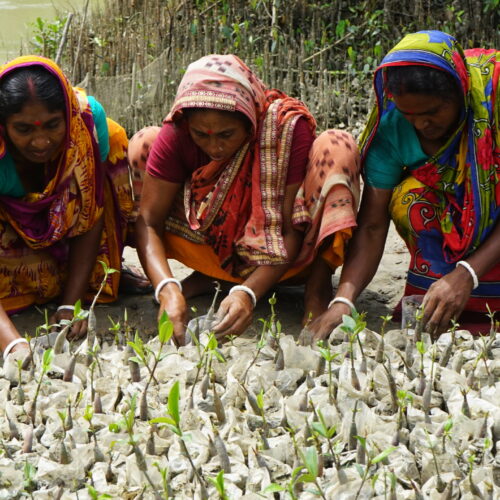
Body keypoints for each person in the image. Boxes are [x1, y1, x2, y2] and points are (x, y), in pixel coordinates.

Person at [129, 54, 360, 345]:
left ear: (251, 119)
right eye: (202, 135)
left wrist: (248, 293)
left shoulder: (284, 129)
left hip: (292, 256)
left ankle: (317, 285)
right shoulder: (177, 133)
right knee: (143, 143)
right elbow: (148, 222)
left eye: (227, 134)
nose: (215, 146)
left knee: (338, 147)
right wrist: (166, 287)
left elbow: (290, 231)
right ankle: (217, 274)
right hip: (213, 246)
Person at [310, 30, 500, 339]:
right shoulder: (392, 128)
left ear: (460, 91)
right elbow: (372, 225)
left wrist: (467, 273)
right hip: (450, 224)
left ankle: (470, 287)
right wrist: (343, 301)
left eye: (432, 112)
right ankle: (442, 292)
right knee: (408, 198)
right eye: (409, 114)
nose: (421, 124)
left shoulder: (494, 101)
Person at [0, 55, 147, 360]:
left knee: (115, 139)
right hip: (9, 236)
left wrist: (70, 306)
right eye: (24, 129)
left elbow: (90, 213)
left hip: (66, 228)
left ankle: (98, 273)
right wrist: (13, 344)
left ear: (67, 115)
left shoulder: (86, 123)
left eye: (53, 125)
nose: (41, 141)